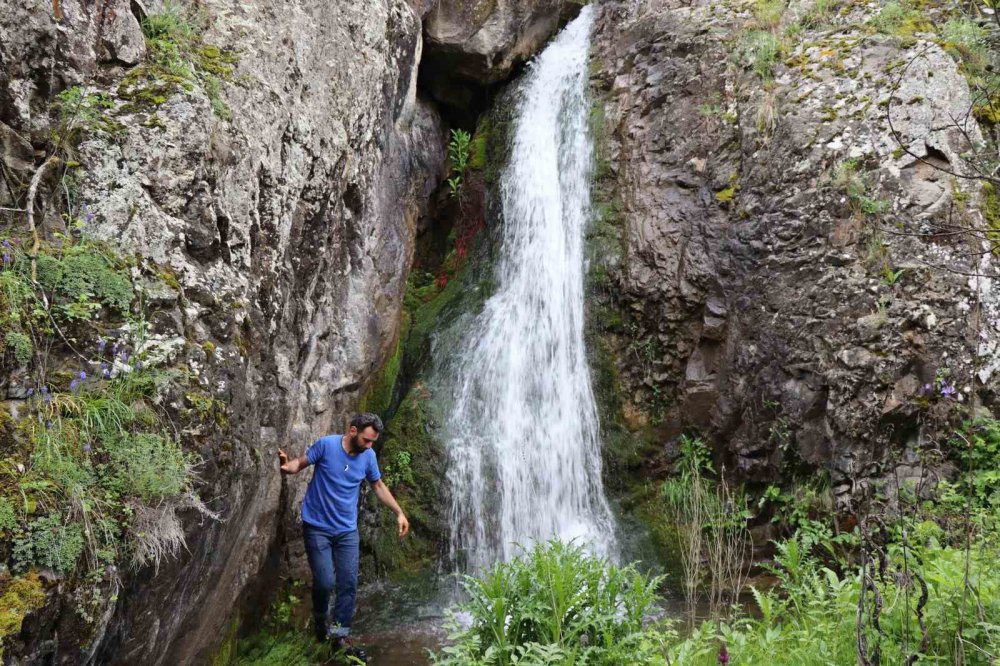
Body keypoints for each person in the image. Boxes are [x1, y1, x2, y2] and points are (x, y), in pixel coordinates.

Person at [278, 412, 409, 658]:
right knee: (326, 581)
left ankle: (338, 635)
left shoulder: (368, 456)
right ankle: (319, 621)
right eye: (366, 440)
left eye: (373, 442)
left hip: (347, 531)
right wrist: (288, 467)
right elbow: (301, 462)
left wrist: (399, 512)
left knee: (348, 584)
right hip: (317, 527)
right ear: (352, 431)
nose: (369, 446)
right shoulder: (327, 445)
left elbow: (378, 486)